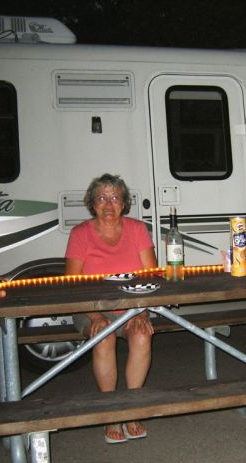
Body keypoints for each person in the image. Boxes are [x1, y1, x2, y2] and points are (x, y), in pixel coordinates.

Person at [65, 173, 157, 444]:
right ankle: (111, 413)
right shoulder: (80, 234)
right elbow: (72, 284)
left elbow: (151, 277)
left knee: (142, 335)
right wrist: (94, 315)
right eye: (101, 198)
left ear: (124, 203)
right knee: (103, 336)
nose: (108, 203)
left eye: (115, 197)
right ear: (92, 204)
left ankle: (131, 409)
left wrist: (141, 312)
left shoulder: (137, 230)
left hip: (132, 307)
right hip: (90, 307)